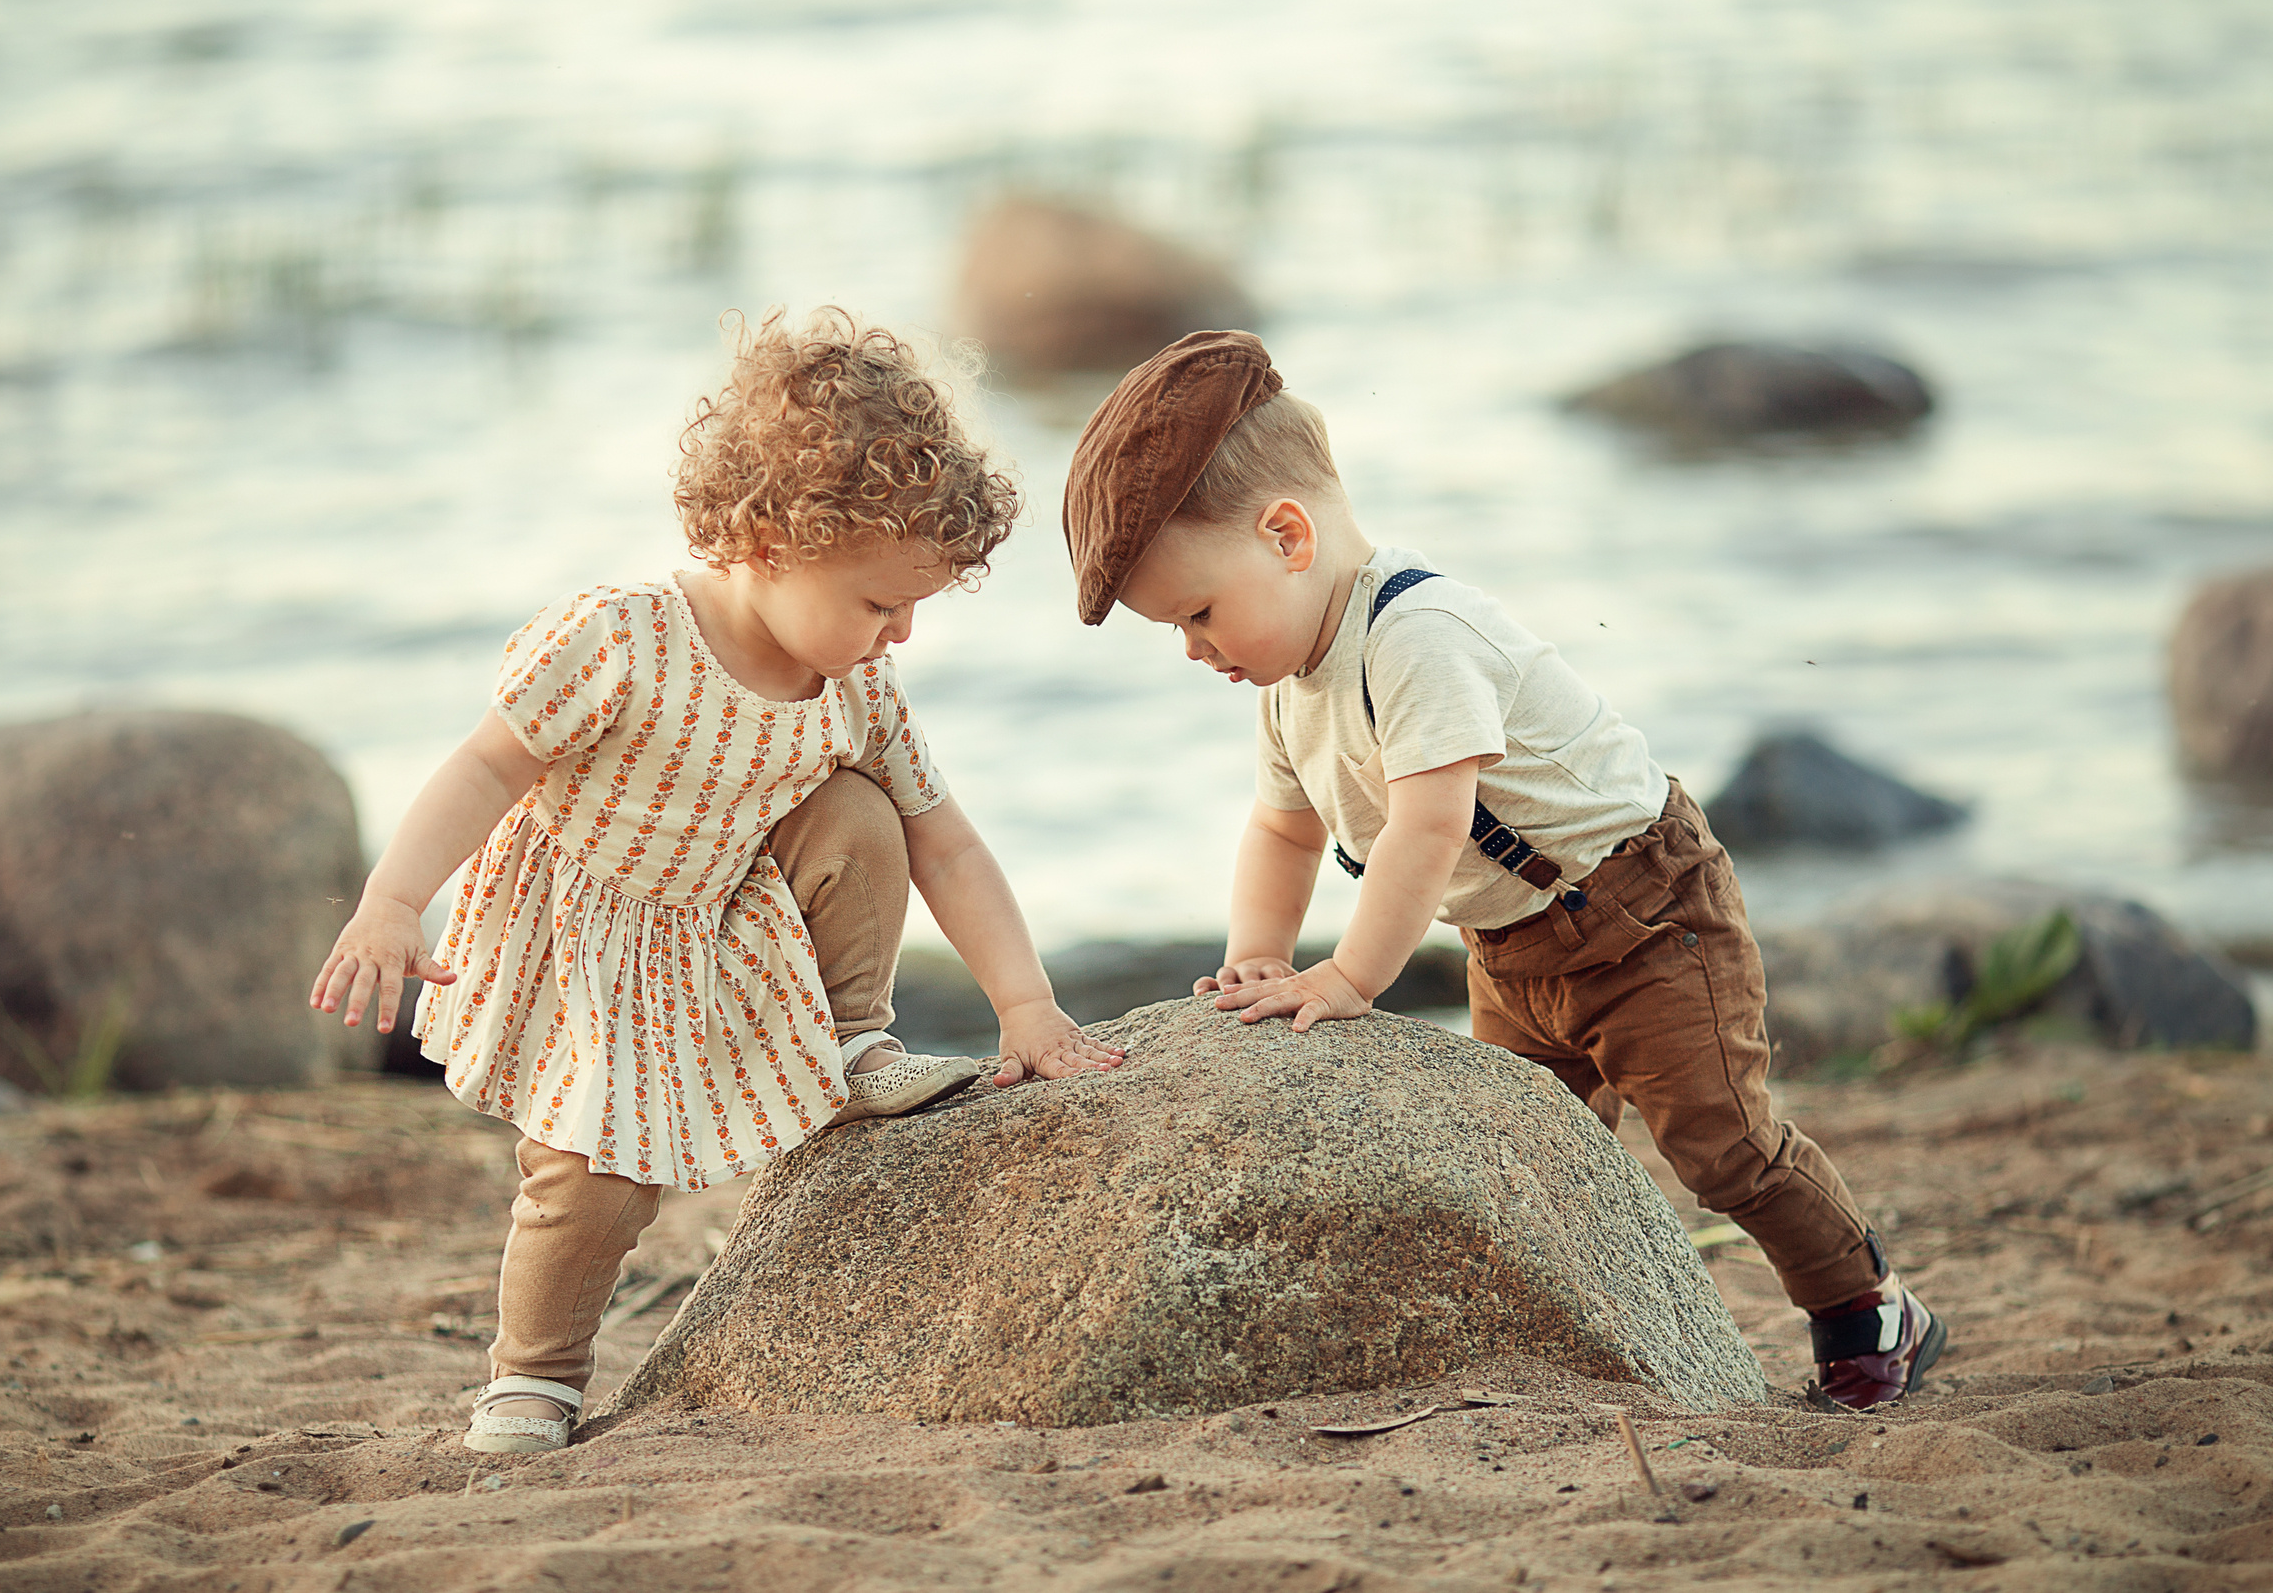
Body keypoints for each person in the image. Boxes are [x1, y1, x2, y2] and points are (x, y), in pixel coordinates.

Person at [1060, 330, 1943, 1411]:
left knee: (1721, 1150)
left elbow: (1427, 832)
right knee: (1533, 1151)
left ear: (1287, 535)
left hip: (1645, 912)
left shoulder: (1415, 634)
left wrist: (1344, 981)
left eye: (1198, 612)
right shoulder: (1288, 689)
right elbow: (1281, 832)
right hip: (1512, 947)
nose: (1194, 649)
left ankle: (1868, 1308)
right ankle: (1592, 1335)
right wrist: (1257, 955)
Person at [311, 309, 1123, 1454]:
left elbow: (950, 844)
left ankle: (849, 1045)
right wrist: (393, 901)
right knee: (594, 1172)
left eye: (913, 609)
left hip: (725, 914)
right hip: (588, 930)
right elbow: (490, 763)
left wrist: (1026, 1006)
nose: (898, 635)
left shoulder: (855, 691)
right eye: (878, 603)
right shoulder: (622, 640)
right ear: (765, 542)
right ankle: (533, 1378)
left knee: (864, 812)